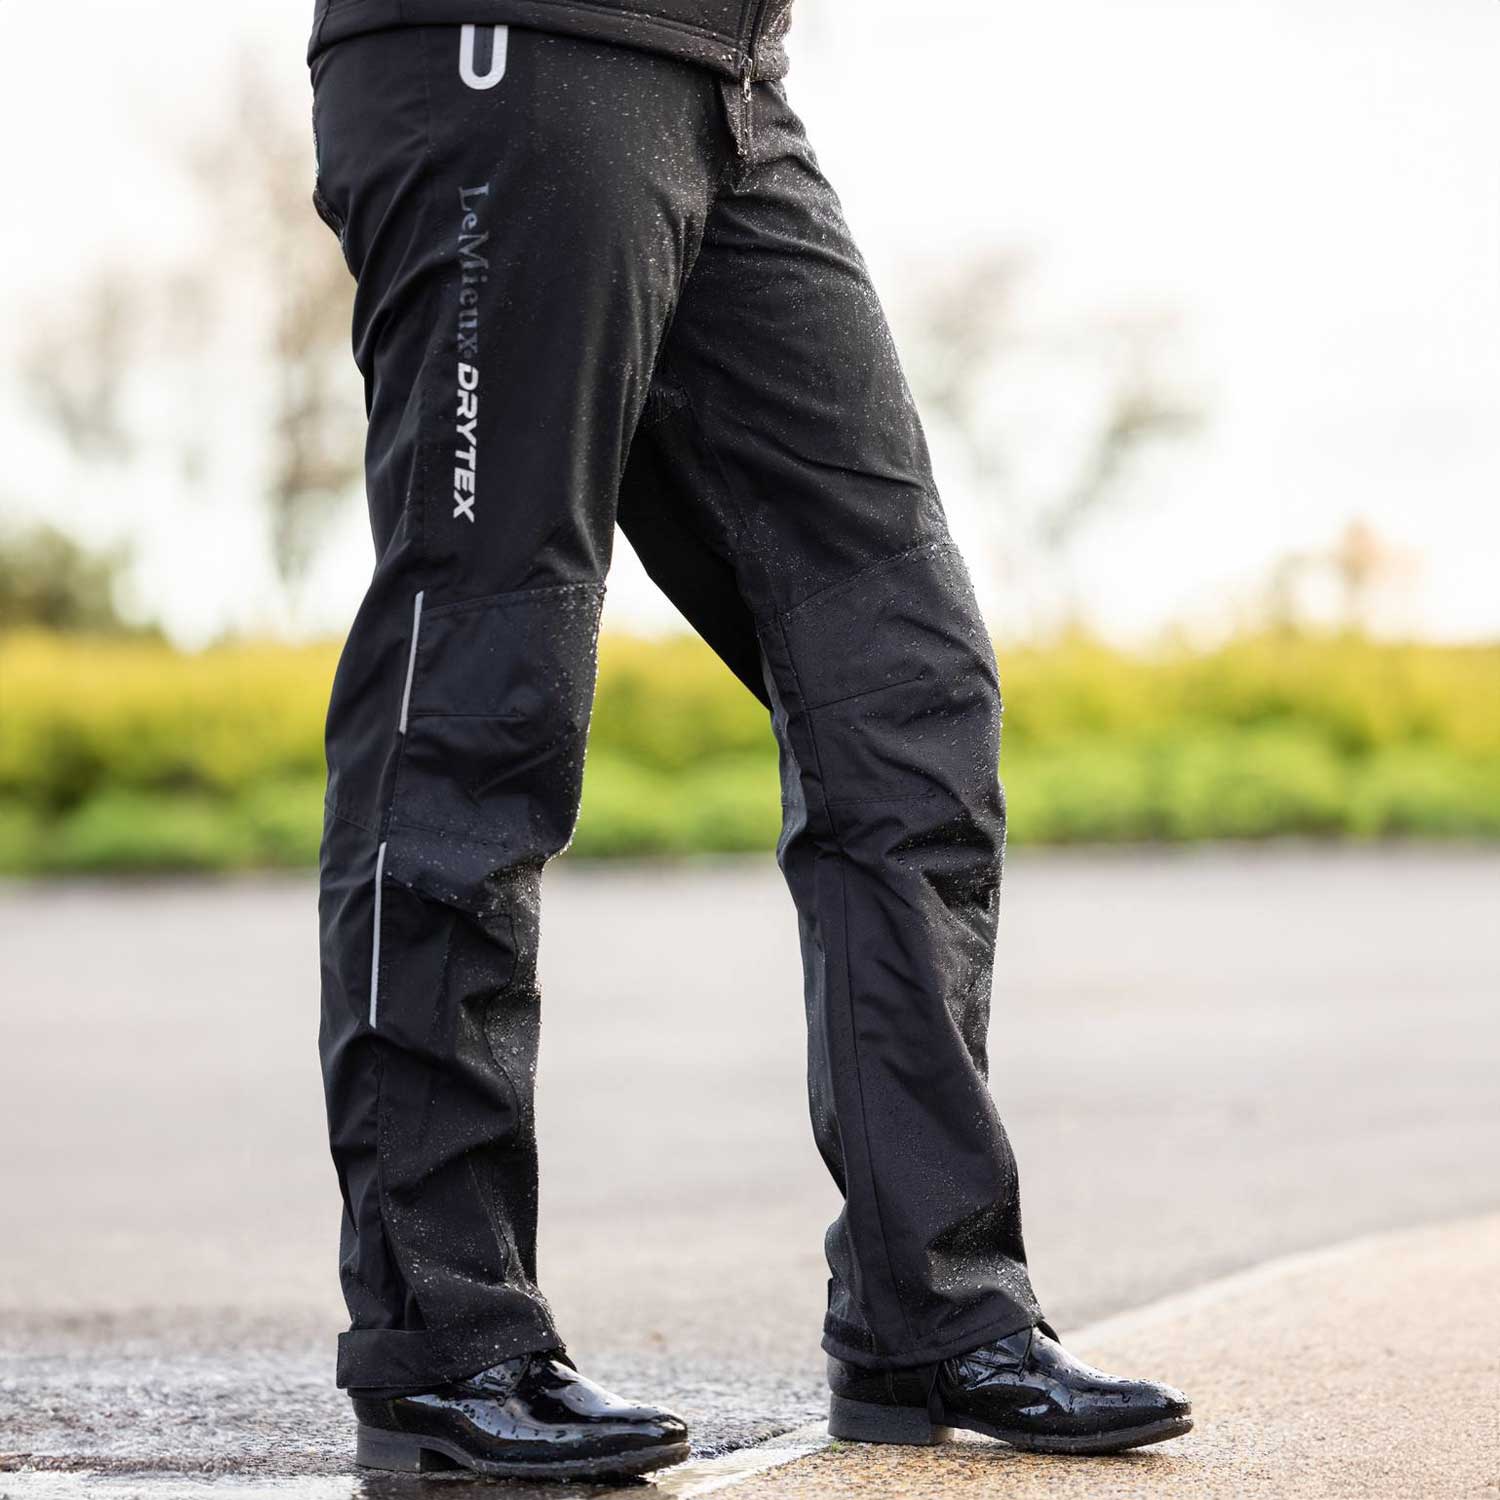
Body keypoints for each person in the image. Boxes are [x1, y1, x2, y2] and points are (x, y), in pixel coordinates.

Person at [308, 0, 1191, 1479]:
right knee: (483, 680)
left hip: (729, 84)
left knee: (902, 680)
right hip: (508, 51)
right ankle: (444, 1340)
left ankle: (935, 1306)